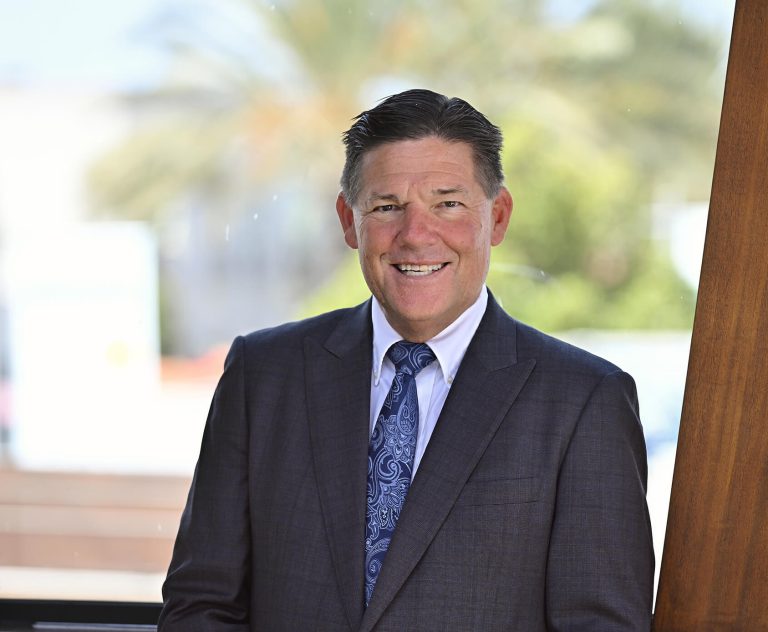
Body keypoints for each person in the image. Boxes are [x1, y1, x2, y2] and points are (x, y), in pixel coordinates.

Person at [158, 88, 654, 631]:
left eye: (448, 204)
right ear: (348, 220)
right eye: (387, 207)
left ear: (498, 217)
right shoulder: (263, 376)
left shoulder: (584, 401)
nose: (416, 235)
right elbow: (200, 605)